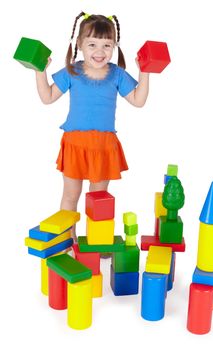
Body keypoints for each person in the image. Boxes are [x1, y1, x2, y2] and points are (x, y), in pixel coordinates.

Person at [35, 12, 150, 241]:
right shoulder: (72, 71)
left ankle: (98, 241)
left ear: (114, 46)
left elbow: (138, 100)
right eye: (92, 44)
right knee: (70, 195)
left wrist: (144, 72)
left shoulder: (117, 74)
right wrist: (40, 71)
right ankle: (68, 240)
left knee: (99, 198)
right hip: (75, 144)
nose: (100, 52)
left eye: (107, 45)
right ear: (80, 44)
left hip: (103, 146)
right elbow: (47, 97)